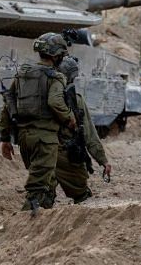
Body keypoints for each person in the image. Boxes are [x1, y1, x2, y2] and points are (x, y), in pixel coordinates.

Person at [0, 32, 76, 214]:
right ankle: (21, 225)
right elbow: (55, 102)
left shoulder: (23, 74)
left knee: (49, 182)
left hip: (24, 138)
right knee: (38, 188)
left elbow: (8, 104)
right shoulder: (55, 77)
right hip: (45, 139)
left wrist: (5, 138)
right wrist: (70, 118)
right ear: (56, 55)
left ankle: (39, 225)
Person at [55, 56, 111, 204]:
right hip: (64, 153)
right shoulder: (74, 99)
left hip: (38, 152)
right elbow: (89, 133)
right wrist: (103, 160)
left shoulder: (42, 96)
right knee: (82, 195)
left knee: (41, 194)